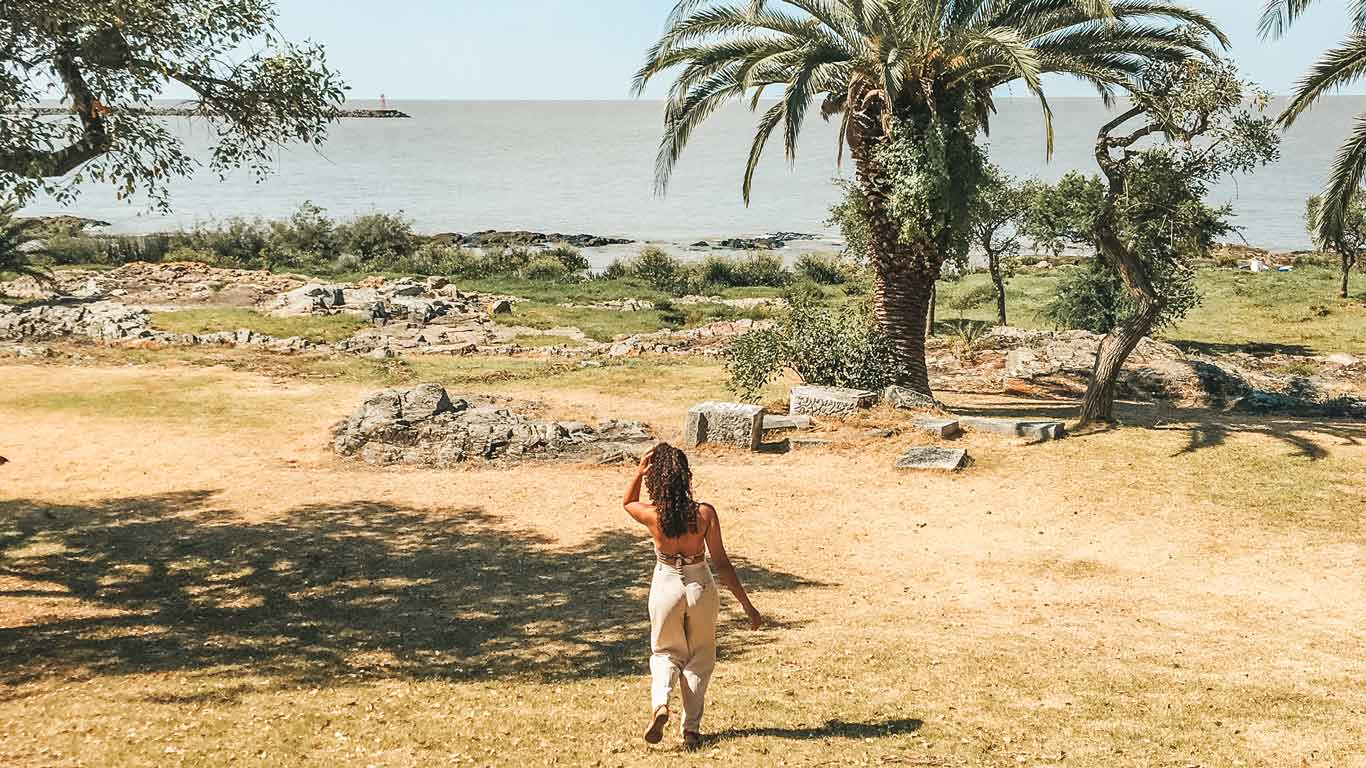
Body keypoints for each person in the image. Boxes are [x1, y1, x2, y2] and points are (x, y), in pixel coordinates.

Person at [623, 442, 762, 750]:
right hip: (699, 585)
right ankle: (691, 731)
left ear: (655, 480)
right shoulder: (704, 514)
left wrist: (639, 470)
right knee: (699, 657)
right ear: (686, 476)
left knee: (664, 652)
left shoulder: (652, 516)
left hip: (666, 584)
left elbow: (628, 502)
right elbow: (723, 564)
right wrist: (747, 605)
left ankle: (661, 703)